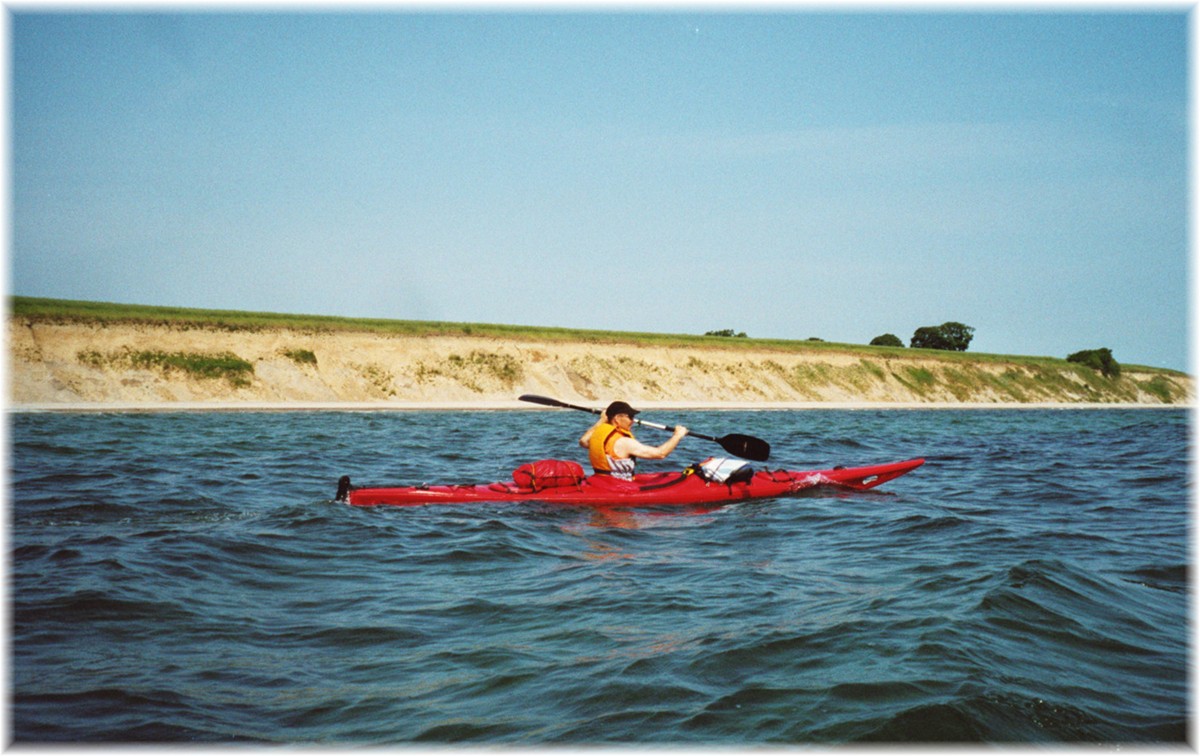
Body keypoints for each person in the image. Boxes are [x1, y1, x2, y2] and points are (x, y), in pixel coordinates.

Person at [578, 400, 688, 480]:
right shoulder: (624, 442)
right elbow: (660, 454)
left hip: (600, 482)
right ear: (617, 418)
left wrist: (602, 420)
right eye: (630, 417)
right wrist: (677, 436)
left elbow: (583, 441)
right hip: (618, 487)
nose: (633, 421)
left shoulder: (599, 436)